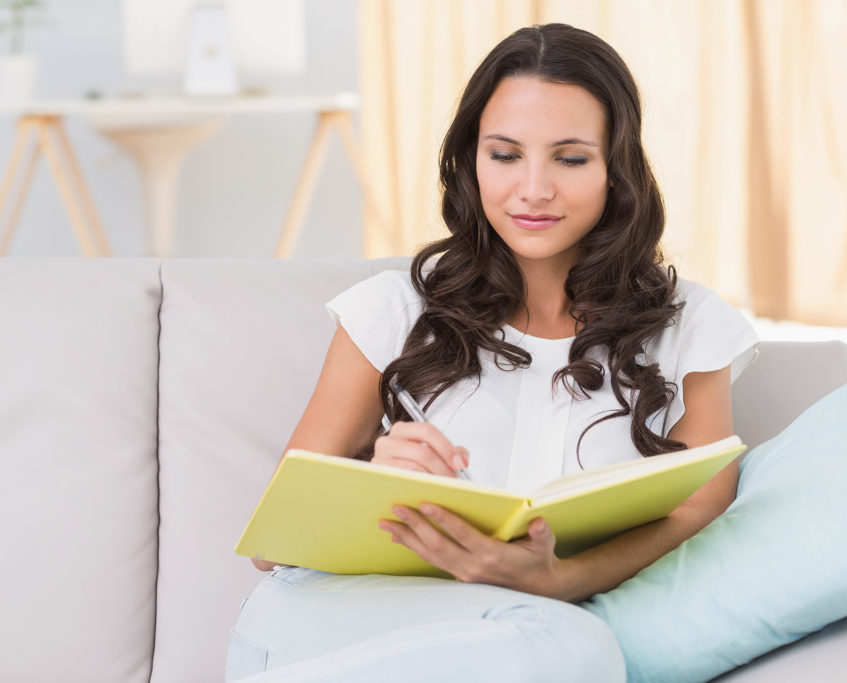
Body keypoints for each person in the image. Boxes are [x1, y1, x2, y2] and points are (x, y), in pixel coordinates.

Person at [226, 22, 758, 682]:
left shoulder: (688, 326)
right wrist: (372, 481)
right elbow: (270, 549)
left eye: (569, 158)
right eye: (504, 155)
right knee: (570, 650)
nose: (533, 189)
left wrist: (560, 579)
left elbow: (698, 505)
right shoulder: (392, 309)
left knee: (573, 646)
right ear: (470, 161)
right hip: (337, 620)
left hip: (531, 641)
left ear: (618, 170)